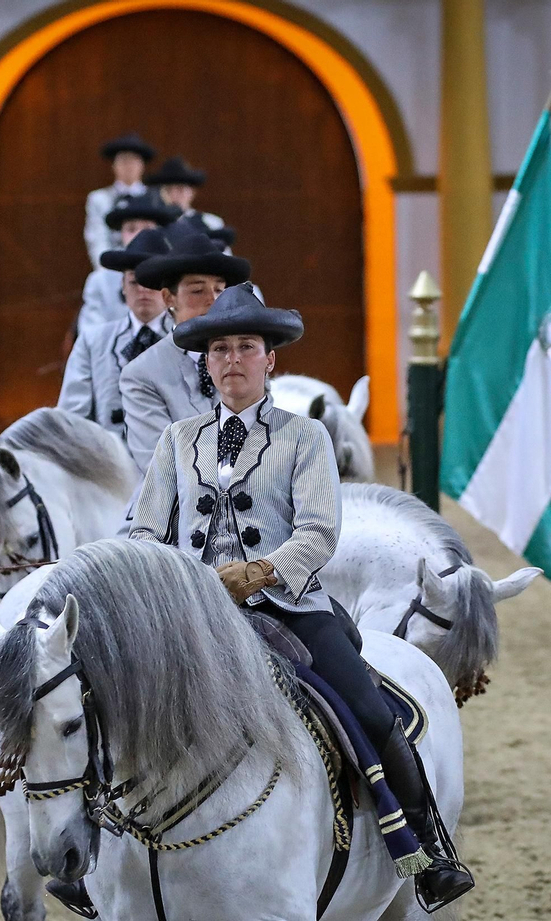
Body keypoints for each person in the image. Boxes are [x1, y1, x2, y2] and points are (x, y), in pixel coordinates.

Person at [129, 284, 475, 909]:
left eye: (246, 347)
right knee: (104, 695)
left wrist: (258, 572)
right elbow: (144, 529)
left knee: (369, 709)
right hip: (190, 614)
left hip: (288, 606)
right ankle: (88, 849)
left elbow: (319, 533)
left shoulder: (305, 436)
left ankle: (429, 847)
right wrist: (155, 577)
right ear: (206, 363)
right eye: (220, 349)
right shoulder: (177, 441)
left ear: (270, 360)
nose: (232, 358)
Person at [119, 228, 250, 474]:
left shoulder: (249, 361)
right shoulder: (142, 373)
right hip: (175, 507)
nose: (212, 300)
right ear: (169, 298)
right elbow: (159, 464)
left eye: (219, 289)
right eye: (197, 290)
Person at [59, 227, 172, 440]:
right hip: (108, 462)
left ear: (167, 289)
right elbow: (71, 418)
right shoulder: (93, 342)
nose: (143, 290)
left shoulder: (189, 342)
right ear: (122, 286)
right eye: (134, 281)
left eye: (151, 282)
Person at [76, 189, 180, 339]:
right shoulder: (100, 281)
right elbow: (89, 335)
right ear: (121, 234)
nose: (138, 234)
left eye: (146, 228)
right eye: (131, 229)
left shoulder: (176, 273)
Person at [83, 131, 154, 266]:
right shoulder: (99, 199)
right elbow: (97, 238)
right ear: (114, 166)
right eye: (123, 160)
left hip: (148, 268)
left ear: (142, 165)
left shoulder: (155, 198)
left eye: (134, 160)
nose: (129, 166)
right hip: (112, 266)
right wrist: (105, 270)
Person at [146, 156, 225, 233]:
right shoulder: (150, 226)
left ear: (192, 192)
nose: (174, 195)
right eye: (168, 190)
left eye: (180, 189)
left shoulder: (210, 223)